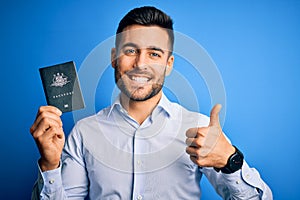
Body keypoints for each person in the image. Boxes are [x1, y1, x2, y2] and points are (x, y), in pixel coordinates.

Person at [30, 6, 272, 199]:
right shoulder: (84, 132)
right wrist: (50, 165)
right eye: (130, 51)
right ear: (114, 58)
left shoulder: (200, 129)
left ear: (168, 64)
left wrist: (230, 162)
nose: (140, 64)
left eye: (154, 54)